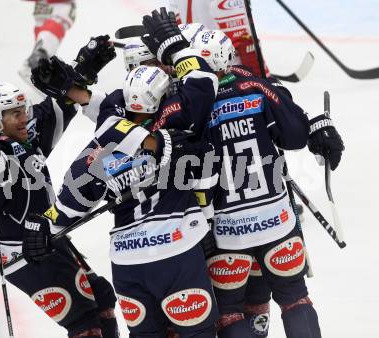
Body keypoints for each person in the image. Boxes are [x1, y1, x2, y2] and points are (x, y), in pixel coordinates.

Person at [22, 7, 221, 337]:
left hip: (128, 261)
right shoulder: (177, 116)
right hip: (179, 247)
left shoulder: (109, 135)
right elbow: (202, 82)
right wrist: (174, 44)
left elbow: (76, 192)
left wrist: (43, 225)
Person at [191, 29, 344, 338]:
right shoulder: (256, 86)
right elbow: (295, 136)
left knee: (231, 312)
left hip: (226, 231)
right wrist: (307, 117)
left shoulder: (191, 102)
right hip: (276, 221)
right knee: (294, 297)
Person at [0, 44, 120, 338]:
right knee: (84, 322)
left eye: (22, 110)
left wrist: (84, 69)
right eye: (13, 114)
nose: (24, 117)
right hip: (21, 251)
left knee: (101, 297)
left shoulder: (26, 131)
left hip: (46, 236)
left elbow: (59, 103)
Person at [167, 0, 270, 79]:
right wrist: (265, 80)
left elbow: (177, 26)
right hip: (230, 76)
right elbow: (243, 42)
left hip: (194, 71)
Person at [19, 0, 77, 81]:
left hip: (52, 4)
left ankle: (41, 61)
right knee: (47, 30)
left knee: (49, 29)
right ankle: (38, 61)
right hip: (51, 5)